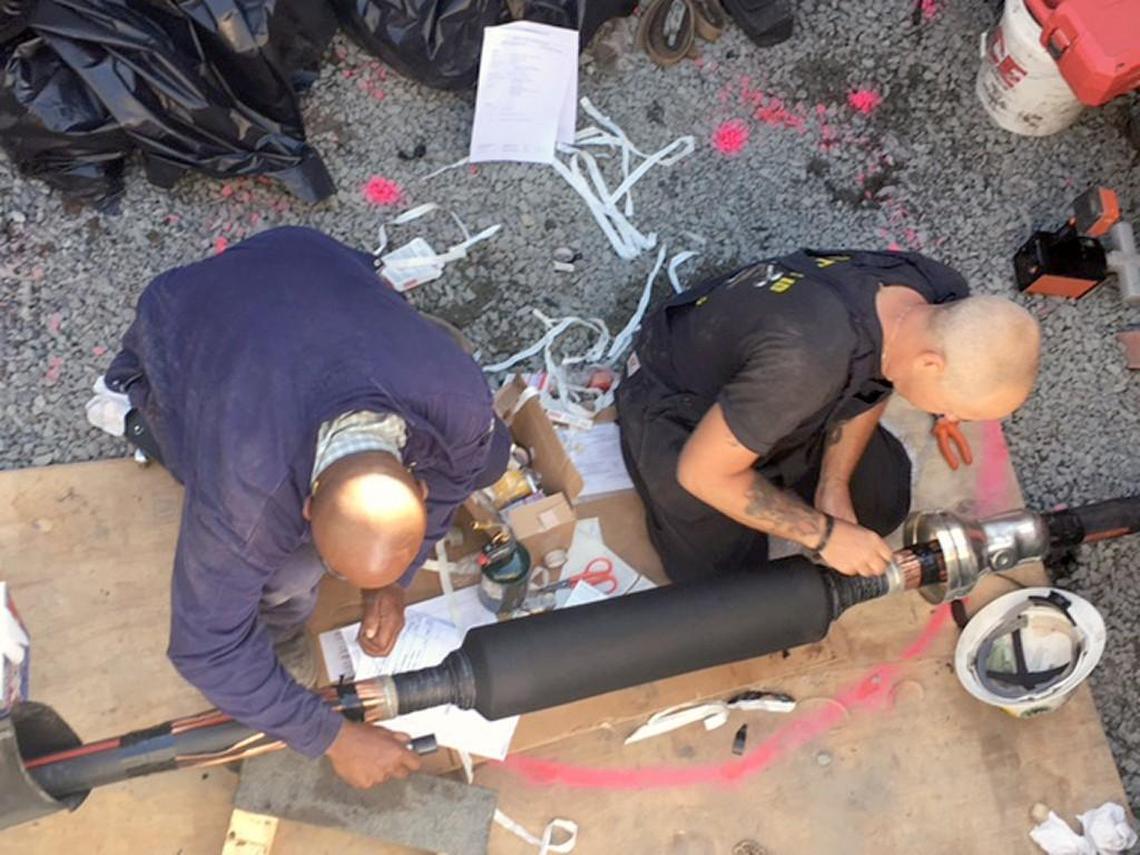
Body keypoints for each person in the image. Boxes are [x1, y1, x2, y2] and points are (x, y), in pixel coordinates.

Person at [85, 227, 510, 788]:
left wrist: (394, 581)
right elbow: (205, 649)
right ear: (305, 508)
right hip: (183, 316)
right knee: (286, 576)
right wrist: (331, 737)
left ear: (418, 486)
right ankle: (135, 407)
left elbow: (458, 473)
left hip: (296, 261)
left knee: (492, 454)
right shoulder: (246, 491)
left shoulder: (459, 398)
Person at [616, 249, 1041, 582]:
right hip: (680, 404)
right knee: (727, 585)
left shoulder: (935, 294)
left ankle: (797, 472)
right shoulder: (806, 362)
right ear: (930, 364)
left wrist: (832, 485)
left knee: (880, 503)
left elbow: (878, 377)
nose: (947, 417)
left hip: (776, 385)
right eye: (952, 409)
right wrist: (823, 535)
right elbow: (702, 474)